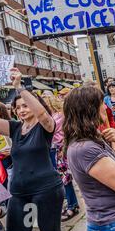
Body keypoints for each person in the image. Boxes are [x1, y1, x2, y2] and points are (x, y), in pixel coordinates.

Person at [0, 69, 64, 231]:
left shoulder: (45, 127)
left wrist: (19, 87)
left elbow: (42, 113)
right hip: (20, 193)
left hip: (46, 190)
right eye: (17, 107)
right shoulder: (15, 128)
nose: (21, 110)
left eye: (25, 106)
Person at [64, 86, 115, 231]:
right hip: (112, 226)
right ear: (89, 109)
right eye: (101, 103)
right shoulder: (85, 149)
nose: (105, 106)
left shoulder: (92, 137)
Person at [42, 95, 80, 223]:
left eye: (45, 102)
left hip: (61, 150)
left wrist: (63, 147)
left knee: (66, 179)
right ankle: (71, 203)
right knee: (63, 179)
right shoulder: (49, 117)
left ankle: (72, 206)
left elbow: (68, 132)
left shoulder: (59, 116)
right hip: (54, 150)